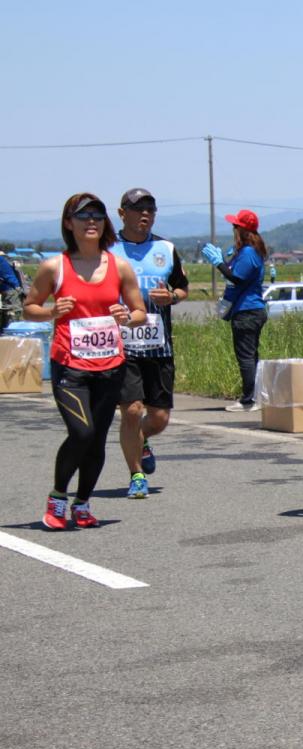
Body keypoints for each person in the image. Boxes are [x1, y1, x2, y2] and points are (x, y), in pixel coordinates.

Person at [22, 193, 147, 529]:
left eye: (98, 215)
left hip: (110, 366)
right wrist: (51, 312)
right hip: (70, 366)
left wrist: (127, 316)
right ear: (68, 223)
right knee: (82, 432)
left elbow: (139, 311)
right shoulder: (55, 267)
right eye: (83, 215)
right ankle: (57, 498)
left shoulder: (119, 267)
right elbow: (29, 308)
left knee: (96, 438)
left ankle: (82, 503)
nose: (91, 221)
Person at [111, 188, 189, 499]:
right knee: (131, 410)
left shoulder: (166, 248)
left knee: (159, 417)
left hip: (158, 344)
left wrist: (171, 297)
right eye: (138, 209)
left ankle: (140, 439)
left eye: (150, 209)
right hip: (121, 344)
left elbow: (182, 287)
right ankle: (137, 475)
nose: (145, 214)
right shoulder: (108, 250)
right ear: (122, 213)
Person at [201, 210, 267, 412]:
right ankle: (254, 396)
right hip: (251, 310)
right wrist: (226, 260)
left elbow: (236, 278)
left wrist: (219, 263)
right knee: (251, 356)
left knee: (245, 357)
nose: (233, 230)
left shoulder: (248, 253)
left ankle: (248, 400)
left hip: (247, 310)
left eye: (235, 226)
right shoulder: (250, 251)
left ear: (243, 230)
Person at [0, 251, 24, 331]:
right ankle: (4, 333)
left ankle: (13, 334)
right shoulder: (3, 260)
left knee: (12, 315)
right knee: (6, 314)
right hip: (9, 289)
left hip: (11, 289)